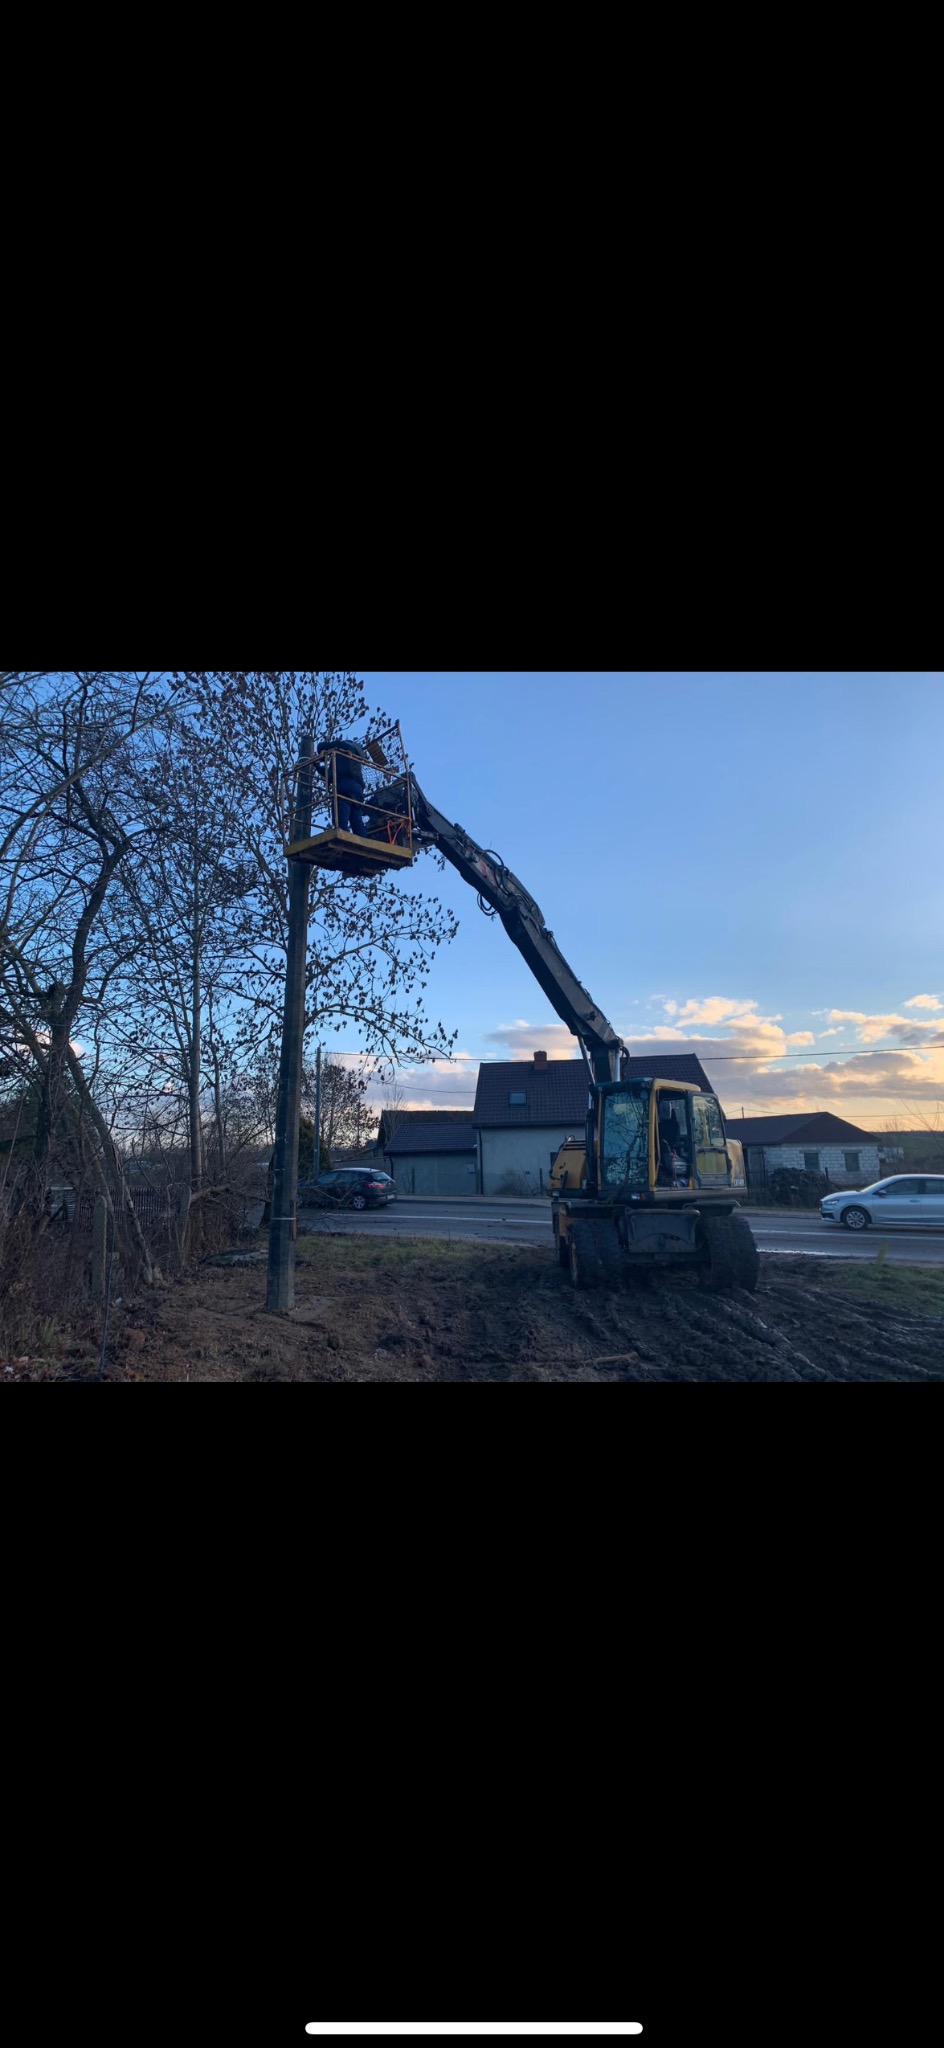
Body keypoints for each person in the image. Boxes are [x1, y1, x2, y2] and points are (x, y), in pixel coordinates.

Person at [316, 738, 371, 835]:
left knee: (340, 822)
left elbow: (330, 774)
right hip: (358, 790)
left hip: (344, 788)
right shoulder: (354, 755)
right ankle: (363, 840)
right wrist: (318, 766)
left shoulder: (340, 749)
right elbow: (331, 773)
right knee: (356, 821)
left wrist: (318, 760)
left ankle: (344, 841)